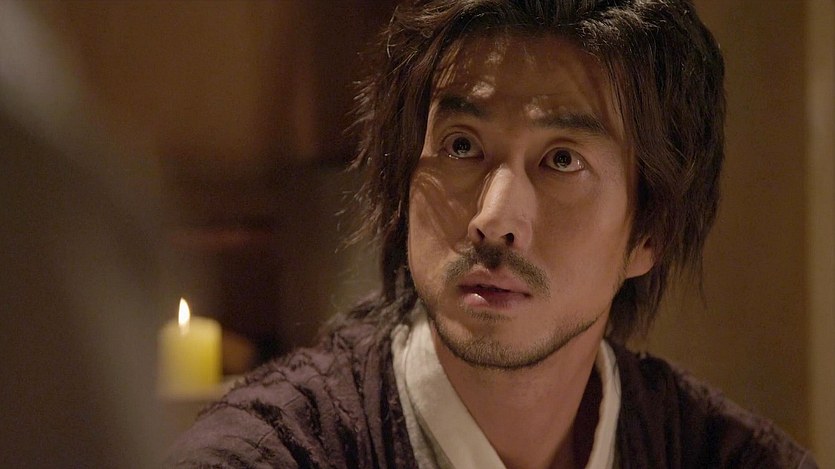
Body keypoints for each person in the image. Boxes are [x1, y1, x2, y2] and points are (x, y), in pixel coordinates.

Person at [168, 0, 817, 467]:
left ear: (651, 228)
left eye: (561, 159)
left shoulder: (721, 453)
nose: (494, 217)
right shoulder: (272, 451)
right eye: (461, 145)